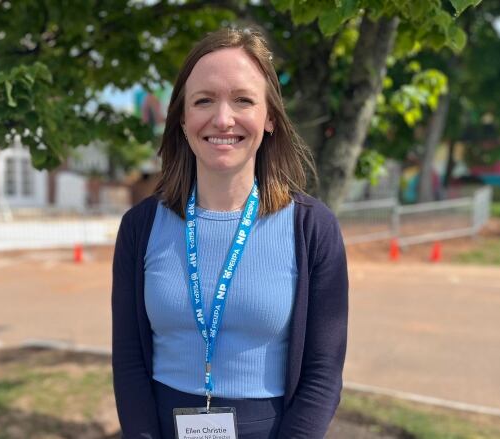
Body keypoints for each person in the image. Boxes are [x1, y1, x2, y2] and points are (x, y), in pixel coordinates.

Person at [112, 28, 348, 439]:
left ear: (269, 117)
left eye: (243, 100)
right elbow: (129, 362)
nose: (223, 119)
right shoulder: (140, 226)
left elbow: (322, 374)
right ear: (182, 118)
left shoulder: (312, 228)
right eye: (204, 100)